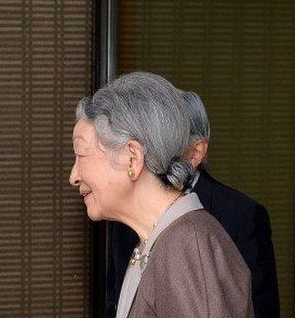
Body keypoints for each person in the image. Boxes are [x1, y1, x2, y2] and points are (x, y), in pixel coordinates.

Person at [70, 72, 253, 317]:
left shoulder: (188, 244)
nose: (73, 176)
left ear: (132, 158)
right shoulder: (157, 239)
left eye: (81, 155)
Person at [106, 91, 279, 317]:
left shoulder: (241, 214)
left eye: (167, 139)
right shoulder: (125, 209)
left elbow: (261, 308)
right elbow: (115, 301)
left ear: (196, 152)